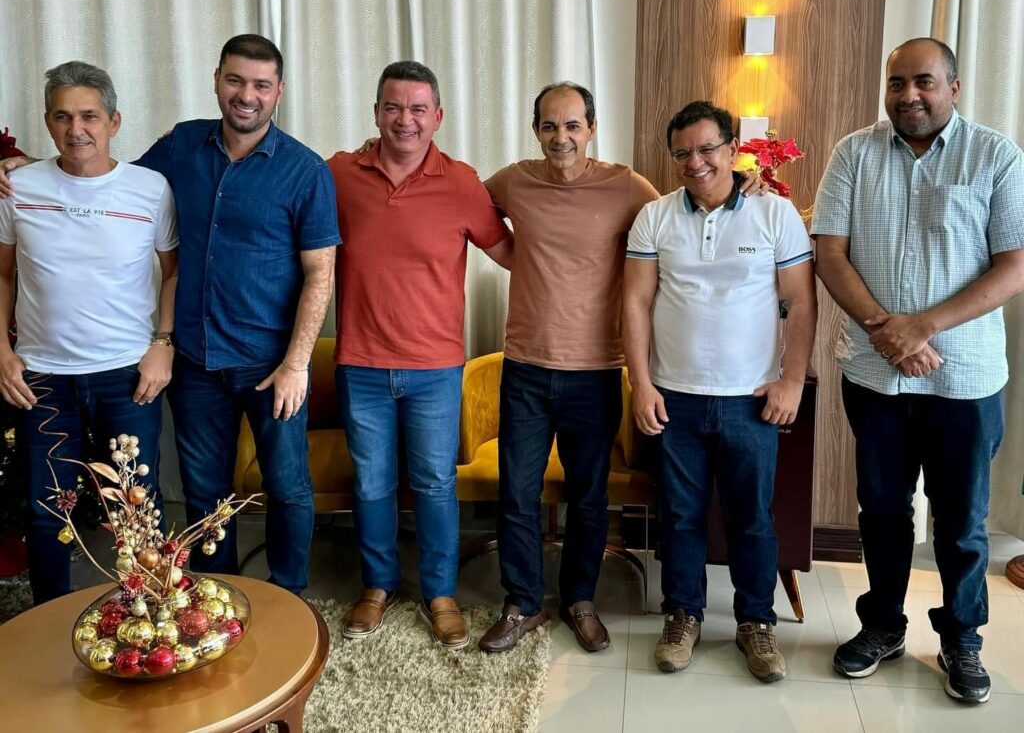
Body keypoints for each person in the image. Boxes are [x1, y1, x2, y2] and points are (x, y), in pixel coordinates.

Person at [1, 36, 341, 595]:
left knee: (286, 488)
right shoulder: (181, 146)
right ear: (216, 80)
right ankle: (217, 597)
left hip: (271, 363)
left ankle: (288, 597)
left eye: (261, 85)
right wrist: (28, 169)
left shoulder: (305, 171)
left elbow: (320, 274)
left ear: (278, 91)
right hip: (195, 362)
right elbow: (101, 178)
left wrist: (298, 363)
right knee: (205, 494)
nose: (247, 95)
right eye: (235, 80)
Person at [813, 37, 1024, 705]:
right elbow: (830, 253)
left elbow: (1014, 265)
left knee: (961, 520)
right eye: (897, 82)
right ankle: (883, 625)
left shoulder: (996, 156)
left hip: (964, 378)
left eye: (924, 82)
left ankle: (962, 636)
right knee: (882, 509)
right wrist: (889, 331)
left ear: (953, 88)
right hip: (876, 376)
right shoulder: (854, 153)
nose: (909, 95)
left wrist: (923, 326)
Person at [624, 100, 816, 683]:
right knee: (680, 515)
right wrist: (640, 382)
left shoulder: (775, 213)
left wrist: (791, 380)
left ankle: (756, 622)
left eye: (707, 148)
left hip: (750, 399)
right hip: (674, 396)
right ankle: (682, 616)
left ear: (733, 149)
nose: (696, 162)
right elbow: (635, 301)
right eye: (683, 152)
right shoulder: (655, 217)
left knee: (751, 517)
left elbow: (801, 301)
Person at [327, 61, 513, 650]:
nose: (404, 120)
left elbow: (511, 253)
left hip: (436, 368)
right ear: (376, 113)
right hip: (361, 363)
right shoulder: (338, 174)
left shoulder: (461, 183)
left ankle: (440, 594)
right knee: (371, 484)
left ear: (437, 117)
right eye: (392, 107)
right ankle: (378, 586)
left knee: (434, 484)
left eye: (416, 109)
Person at [477, 82, 661, 654]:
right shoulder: (514, 181)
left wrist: (746, 186)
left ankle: (580, 600)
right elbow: (462, 206)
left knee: (588, 497)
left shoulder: (625, 185)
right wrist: (515, 256)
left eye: (573, 125)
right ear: (536, 130)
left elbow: (675, 222)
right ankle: (523, 602)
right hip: (526, 369)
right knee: (517, 494)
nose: (562, 137)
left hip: (596, 371)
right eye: (550, 126)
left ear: (592, 128)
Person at [0, 61, 178, 604]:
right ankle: (50, 616)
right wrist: (2, 351)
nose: (76, 129)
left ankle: (148, 613)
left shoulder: (150, 189)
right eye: (62, 116)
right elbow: (2, 274)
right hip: (42, 378)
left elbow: (173, 273)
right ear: (47, 123)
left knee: (135, 504)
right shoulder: (16, 187)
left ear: (114, 122)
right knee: (46, 509)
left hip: (127, 376)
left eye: (89, 116)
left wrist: (163, 344)